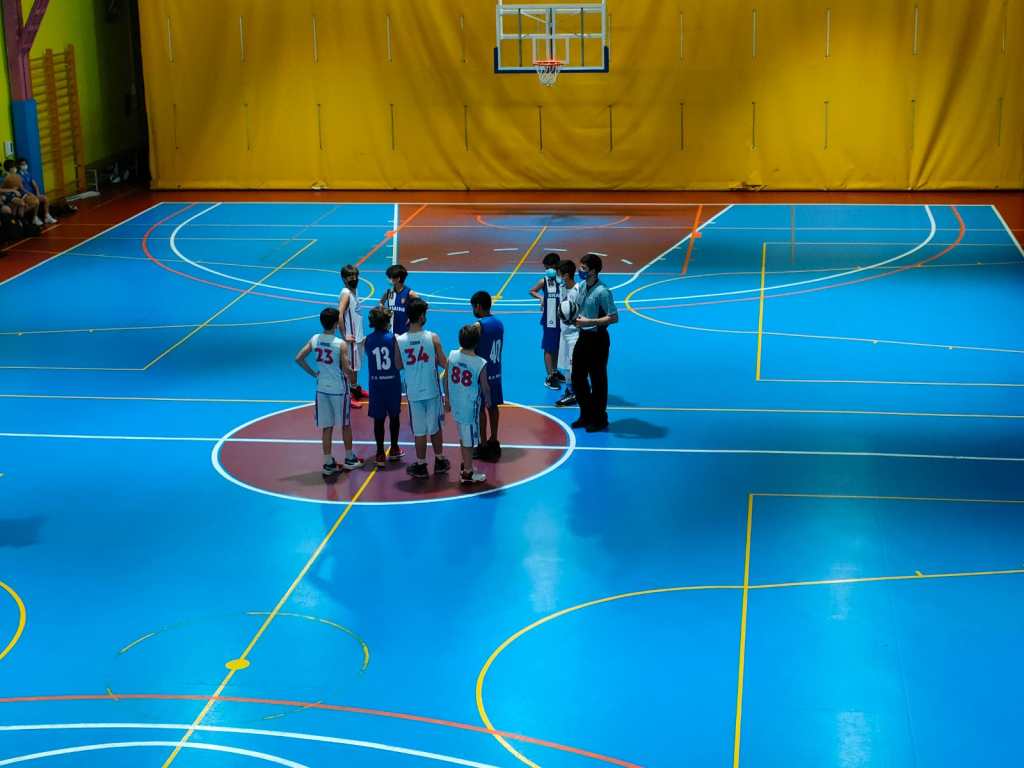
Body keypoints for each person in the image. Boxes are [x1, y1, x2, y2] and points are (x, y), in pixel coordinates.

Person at [294, 308, 365, 476]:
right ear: (335, 324)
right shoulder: (340, 344)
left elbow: (299, 358)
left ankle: (328, 463)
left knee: (327, 427)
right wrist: (353, 379)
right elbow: (346, 369)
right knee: (345, 425)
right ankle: (349, 458)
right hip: (338, 389)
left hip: (321, 388)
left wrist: (314, 374)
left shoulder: (315, 339)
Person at [396, 297, 450, 479]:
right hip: (432, 390)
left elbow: (398, 365)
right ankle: (440, 460)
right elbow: (443, 362)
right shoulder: (432, 338)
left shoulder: (400, 340)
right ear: (420, 317)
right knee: (435, 427)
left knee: (419, 430)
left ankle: (421, 464)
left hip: (413, 391)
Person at [572, 253, 619, 432]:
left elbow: (614, 317)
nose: (580, 270)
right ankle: (586, 414)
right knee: (577, 378)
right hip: (583, 338)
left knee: (598, 380)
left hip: (598, 340)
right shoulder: (582, 287)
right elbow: (579, 309)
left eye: (583, 268)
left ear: (593, 271)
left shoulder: (603, 291)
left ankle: (599, 418)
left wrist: (590, 322)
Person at [445, 324, 491, 485]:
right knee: (469, 440)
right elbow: (485, 387)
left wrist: (447, 398)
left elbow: (445, 378)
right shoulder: (480, 363)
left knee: (463, 436)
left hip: (456, 403)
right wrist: (489, 401)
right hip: (469, 407)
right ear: (477, 342)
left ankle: (466, 463)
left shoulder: (452, 355)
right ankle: (468, 472)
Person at [365, 306, 404, 467]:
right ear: (387, 322)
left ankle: (380, 453)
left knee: (378, 419)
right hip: (392, 383)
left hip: (376, 384)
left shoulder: (367, 340)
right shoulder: (394, 338)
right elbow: (399, 363)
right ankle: (394, 448)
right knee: (394, 416)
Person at [470, 290, 504, 460]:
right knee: (493, 406)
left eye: (473, 307)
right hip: (495, 371)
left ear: (478, 306)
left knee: (480, 409)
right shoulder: (499, 323)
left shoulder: (478, 326)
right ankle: (494, 439)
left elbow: (470, 347)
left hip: (482, 373)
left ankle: (482, 444)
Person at [528, 252, 564, 390]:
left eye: (548, 267)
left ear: (556, 266)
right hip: (549, 320)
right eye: (545, 268)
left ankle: (555, 371)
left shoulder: (563, 280)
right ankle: (549, 376)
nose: (547, 270)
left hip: (562, 319)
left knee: (558, 347)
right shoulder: (544, 281)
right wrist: (541, 298)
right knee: (549, 347)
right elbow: (532, 291)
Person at [338, 263, 366, 406]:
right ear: (344, 279)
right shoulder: (346, 294)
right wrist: (344, 335)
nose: (354, 278)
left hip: (358, 336)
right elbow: (339, 314)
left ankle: (356, 388)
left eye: (355, 275)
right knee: (351, 367)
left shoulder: (354, 290)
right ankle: (350, 395)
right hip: (352, 338)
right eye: (350, 276)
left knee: (356, 365)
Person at [555, 259, 581, 408]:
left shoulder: (578, 291)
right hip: (564, 332)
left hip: (574, 335)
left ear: (565, 275)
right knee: (565, 364)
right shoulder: (562, 288)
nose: (557, 277)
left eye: (559, 274)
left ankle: (574, 393)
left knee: (573, 365)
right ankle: (570, 390)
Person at [380, 264, 420, 335]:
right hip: (390, 330)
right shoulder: (388, 292)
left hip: (405, 331)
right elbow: (381, 302)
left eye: (390, 277)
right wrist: (384, 312)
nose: (389, 279)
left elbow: (421, 306)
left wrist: (412, 318)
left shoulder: (409, 293)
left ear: (398, 279)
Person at [16, 157, 56, 225]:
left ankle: (47, 216)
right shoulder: (18, 176)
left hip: (33, 194)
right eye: (22, 164)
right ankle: (35, 218)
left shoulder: (28, 173)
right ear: (19, 166)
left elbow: (35, 185)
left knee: (45, 198)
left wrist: (37, 193)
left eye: (25, 164)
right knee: (36, 201)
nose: (24, 166)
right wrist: (30, 194)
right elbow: (21, 188)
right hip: (25, 195)